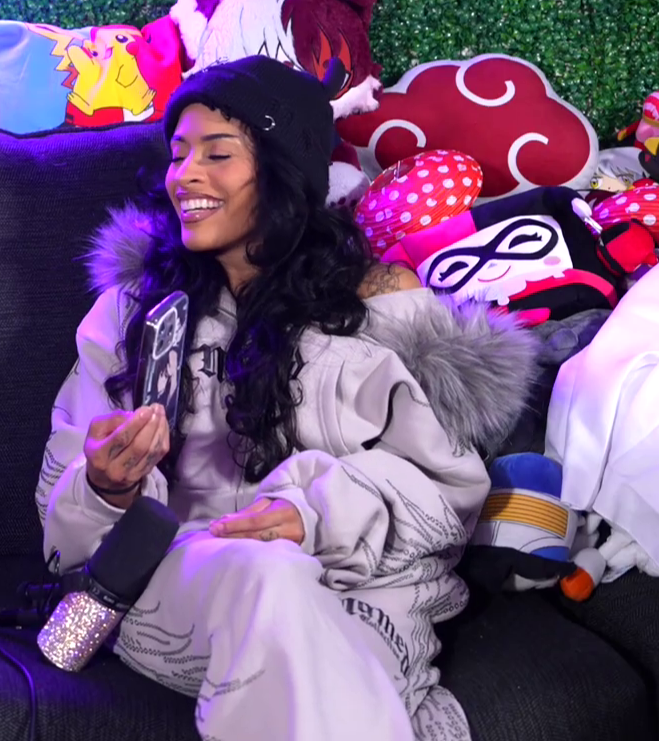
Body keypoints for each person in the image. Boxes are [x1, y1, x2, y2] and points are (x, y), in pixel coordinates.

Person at [38, 56, 532, 741]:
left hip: (355, 590)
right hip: (188, 586)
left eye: (217, 154)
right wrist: (104, 486)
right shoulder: (132, 314)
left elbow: (445, 494)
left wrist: (312, 514)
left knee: (289, 593)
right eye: (178, 155)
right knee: (266, 576)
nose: (185, 176)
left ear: (284, 171)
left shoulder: (376, 309)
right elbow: (62, 531)